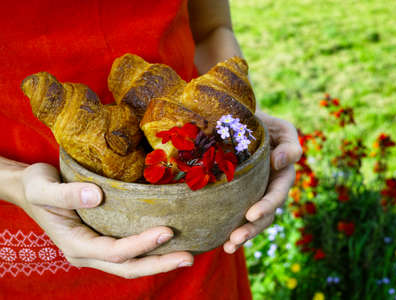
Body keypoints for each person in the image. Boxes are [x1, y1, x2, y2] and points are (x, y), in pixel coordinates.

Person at [0, 0, 301, 299]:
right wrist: (14, 183)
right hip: (35, 234)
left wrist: (235, 119)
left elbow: (212, 30)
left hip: (200, 209)